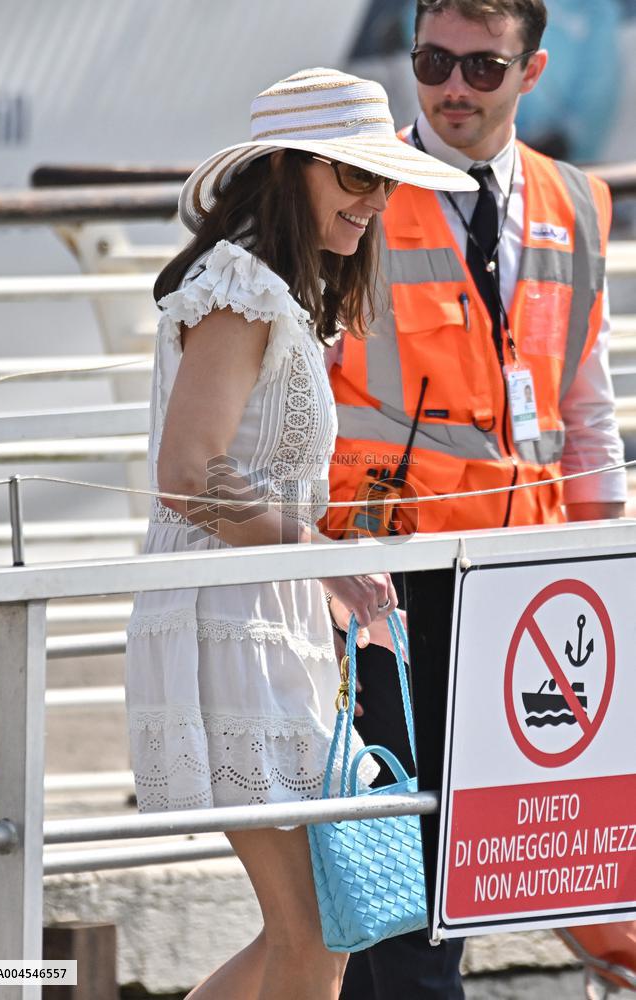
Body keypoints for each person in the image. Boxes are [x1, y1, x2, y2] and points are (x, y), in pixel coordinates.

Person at [124, 68, 473, 1000]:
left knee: (319, 932)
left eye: (384, 180)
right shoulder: (240, 285)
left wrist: (320, 566)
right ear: (288, 170)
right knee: (316, 931)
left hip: (262, 620)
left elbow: (219, 477)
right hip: (233, 625)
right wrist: (325, 556)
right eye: (356, 177)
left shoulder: (268, 287)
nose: (376, 200)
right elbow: (189, 474)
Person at [326, 4, 627, 999]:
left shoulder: (575, 202)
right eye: (433, 61)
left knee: (484, 856)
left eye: (481, 67)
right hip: (386, 581)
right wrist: (320, 566)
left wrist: (607, 570)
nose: (453, 87)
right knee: (393, 869)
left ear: (532, 69)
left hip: (524, 589)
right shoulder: (355, 193)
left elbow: (586, 407)